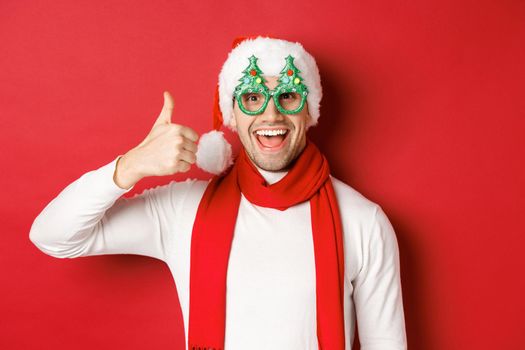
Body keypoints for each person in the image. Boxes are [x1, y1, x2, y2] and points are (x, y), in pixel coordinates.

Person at [30, 36, 407, 350]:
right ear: (232, 113)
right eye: (253, 98)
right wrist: (130, 166)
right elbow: (52, 236)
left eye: (289, 96)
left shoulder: (362, 222)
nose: (271, 116)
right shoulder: (183, 209)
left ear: (309, 111)